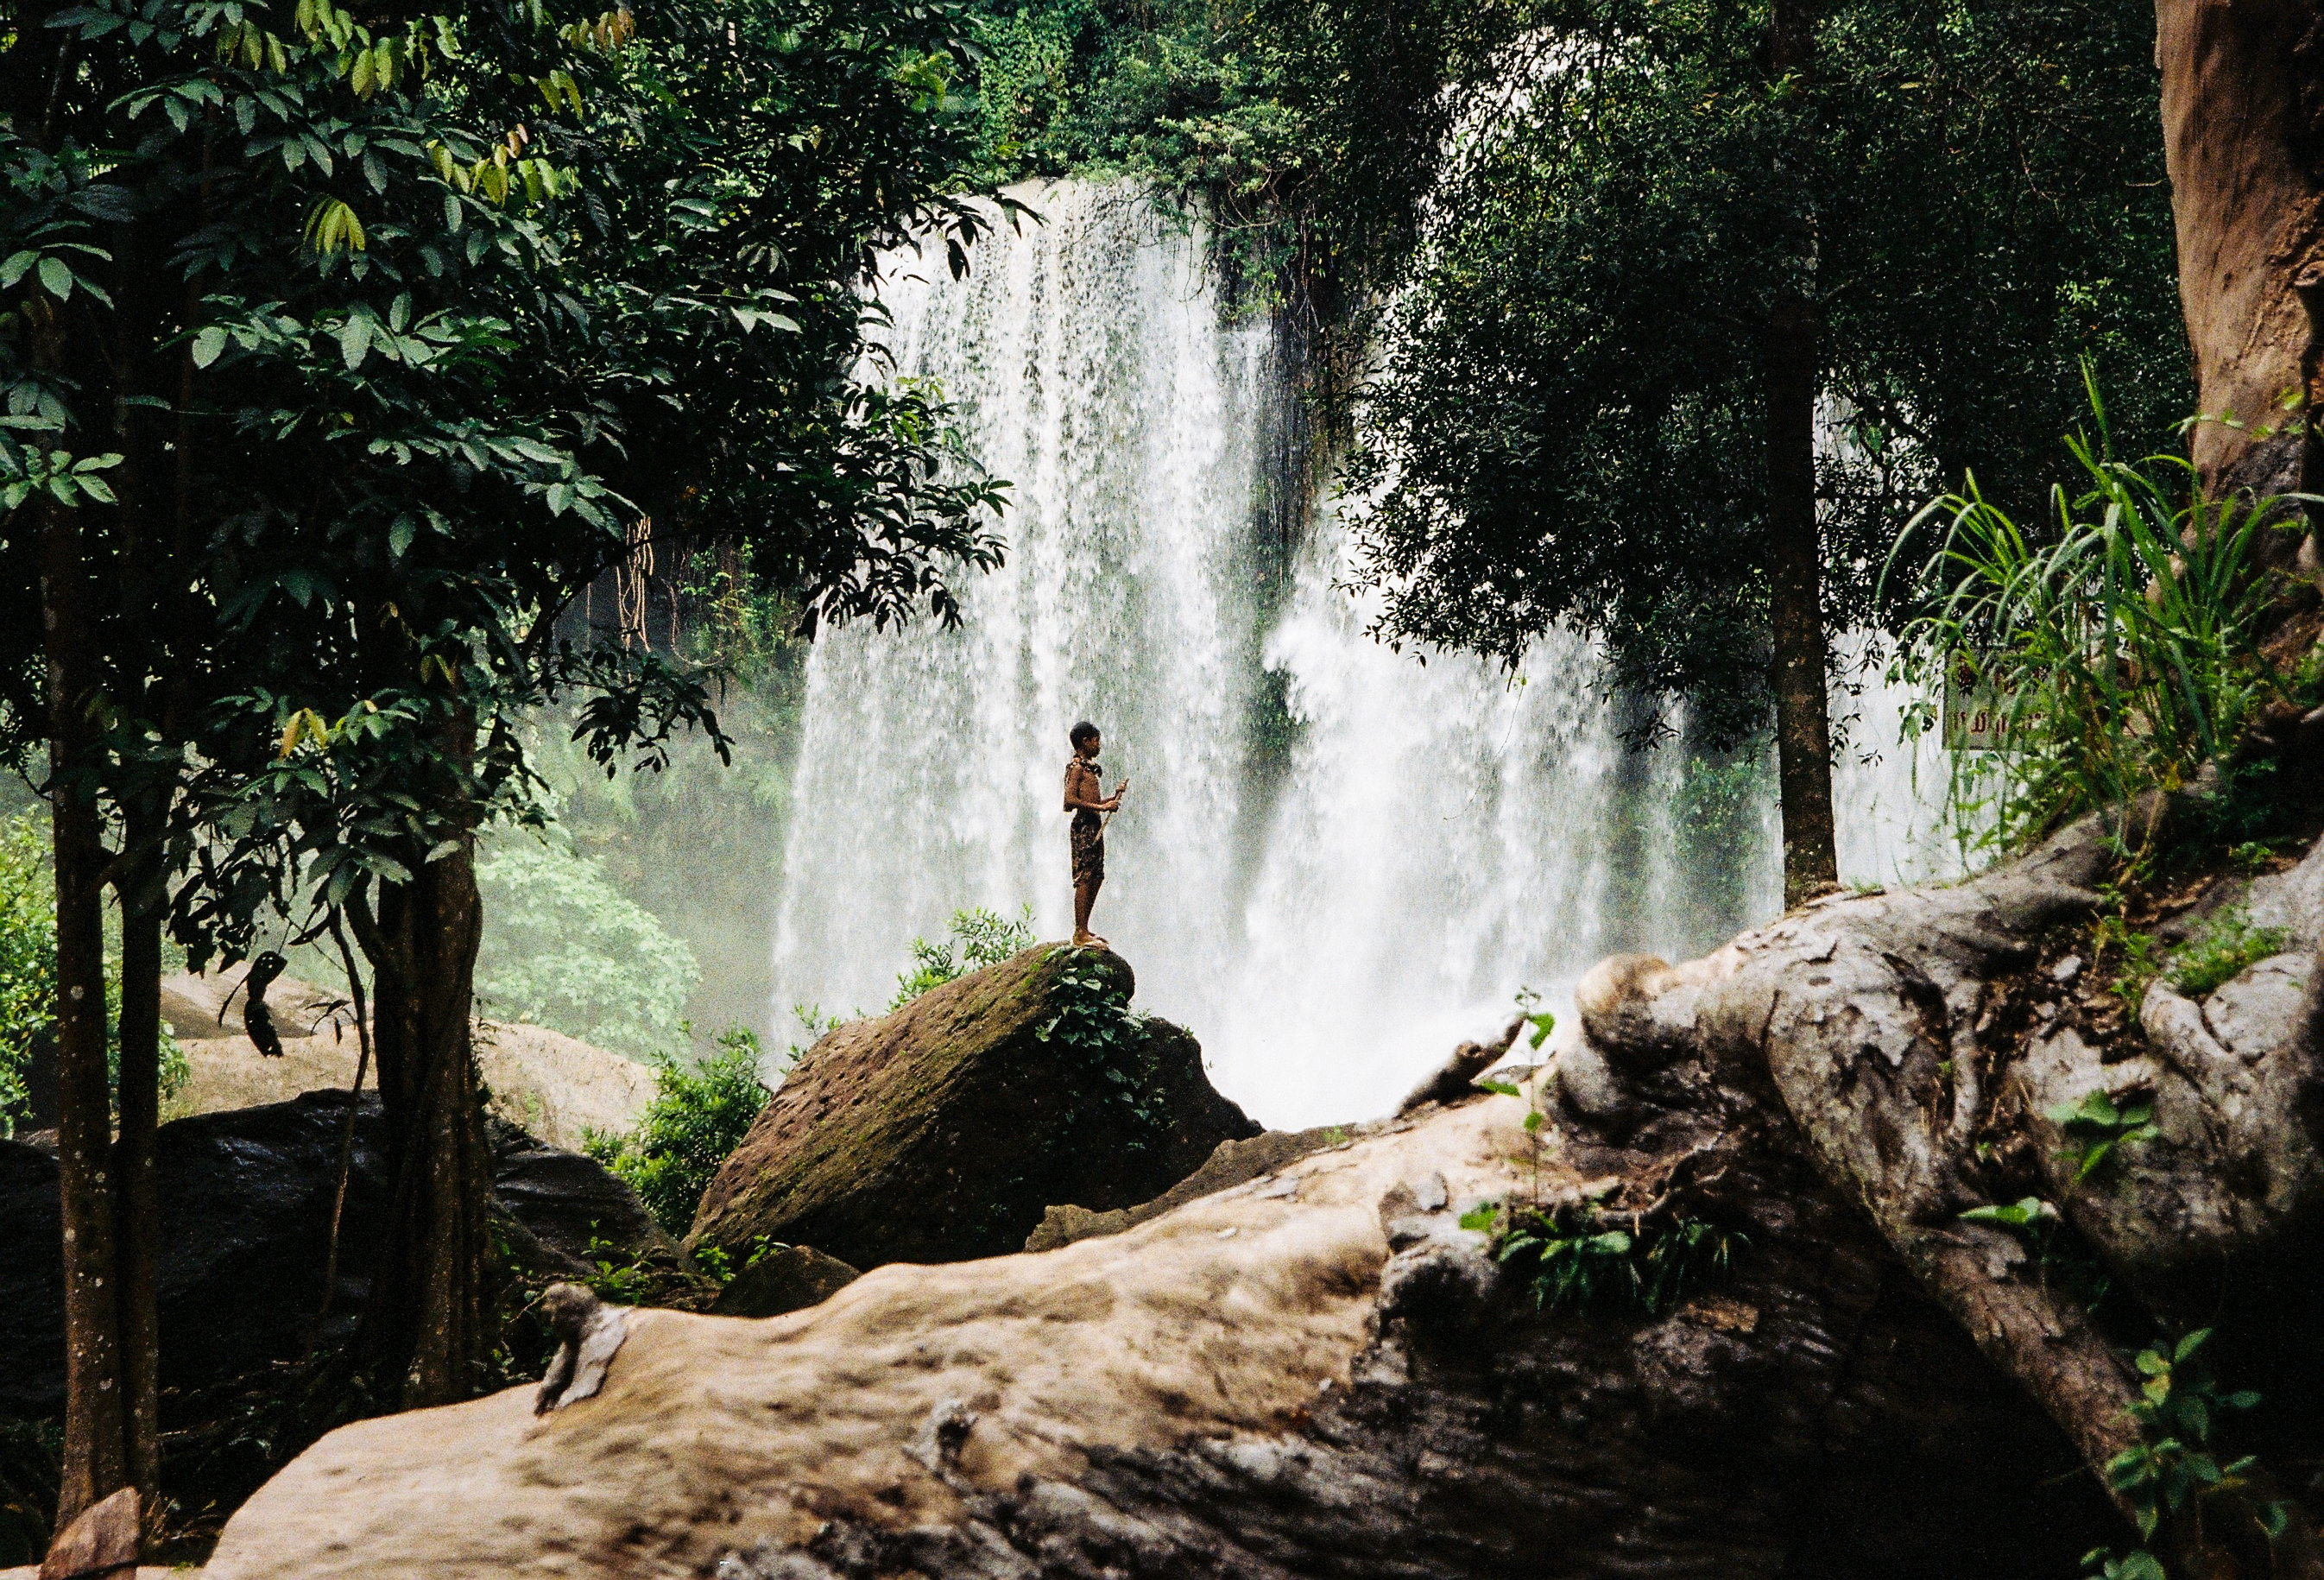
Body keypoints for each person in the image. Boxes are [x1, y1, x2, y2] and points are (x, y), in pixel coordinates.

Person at [1063, 721, 1127, 948]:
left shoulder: (1089, 769)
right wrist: (1102, 808)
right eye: (1096, 740)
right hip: (1084, 827)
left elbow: (1091, 802)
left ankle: (1085, 928)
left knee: (1096, 875)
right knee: (1085, 877)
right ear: (1085, 742)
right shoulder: (1077, 768)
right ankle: (1080, 932)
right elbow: (1069, 802)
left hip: (1093, 825)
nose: (1099, 745)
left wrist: (1111, 799)